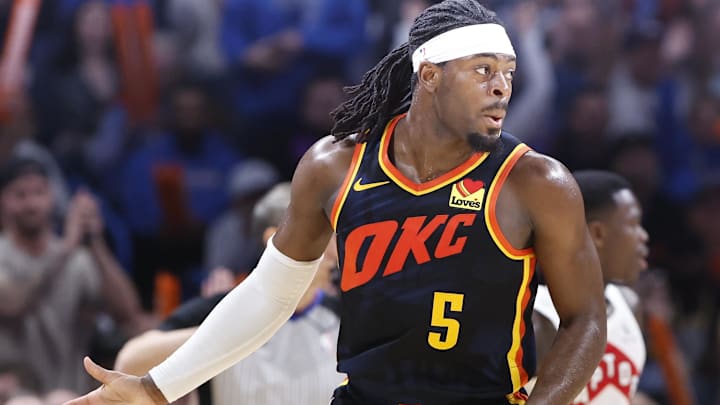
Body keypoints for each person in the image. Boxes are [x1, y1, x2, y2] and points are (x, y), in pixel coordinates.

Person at [64, 1, 607, 404]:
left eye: (508, 74)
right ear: (431, 75)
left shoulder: (535, 181)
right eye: (483, 70)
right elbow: (269, 296)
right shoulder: (336, 167)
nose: (502, 88)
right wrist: (158, 389)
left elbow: (585, 316)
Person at [113, 182, 343, 405]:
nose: (335, 246)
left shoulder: (343, 314)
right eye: (322, 234)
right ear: (275, 239)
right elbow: (130, 361)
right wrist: (225, 331)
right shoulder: (225, 307)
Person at [0, 157, 145, 395]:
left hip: (69, 393)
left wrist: (95, 241)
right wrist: (68, 245)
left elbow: (127, 311)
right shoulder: (7, 255)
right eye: (20, 195)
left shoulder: (77, 261)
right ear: (2, 200)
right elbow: (14, 303)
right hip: (13, 393)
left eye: (39, 192)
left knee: (61, 398)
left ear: (52, 197)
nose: (31, 203)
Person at [529, 170, 650, 405]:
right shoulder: (538, 319)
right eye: (634, 224)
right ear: (598, 234)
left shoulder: (629, 304)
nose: (643, 236)